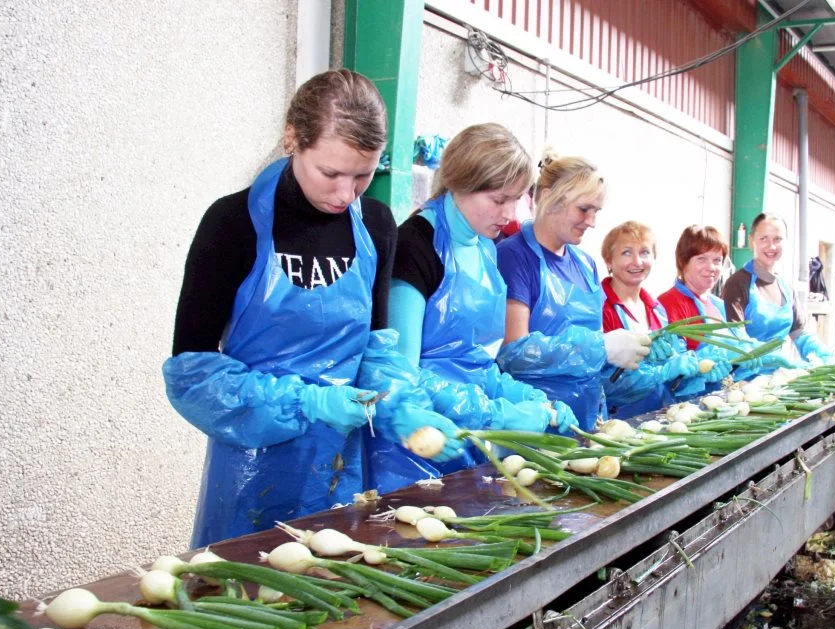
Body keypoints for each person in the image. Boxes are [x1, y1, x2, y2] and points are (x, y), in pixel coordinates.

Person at [163, 70, 459, 547]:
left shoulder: (379, 226)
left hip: (344, 464)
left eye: (364, 175)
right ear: (292, 140)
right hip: (254, 468)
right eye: (331, 173)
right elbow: (192, 375)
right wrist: (308, 403)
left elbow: (376, 351)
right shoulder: (232, 223)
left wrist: (400, 405)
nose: (346, 194)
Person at [365, 123, 579, 492]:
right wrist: (498, 415)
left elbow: (476, 359)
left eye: (516, 199)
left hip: (470, 437)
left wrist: (526, 398)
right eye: (499, 200)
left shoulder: (484, 247)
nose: (510, 214)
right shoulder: (415, 247)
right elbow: (402, 373)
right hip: (415, 450)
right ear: (460, 185)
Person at [496, 152, 652, 429]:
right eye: (583, 209)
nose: (591, 221)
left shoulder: (585, 263)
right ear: (548, 197)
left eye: (596, 212)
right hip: (539, 423)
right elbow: (513, 354)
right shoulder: (514, 257)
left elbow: (595, 347)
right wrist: (599, 347)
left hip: (590, 419)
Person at [599, 222, 730, 417]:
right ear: (609, 261)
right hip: (621, 421)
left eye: (645, 253)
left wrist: (699, 373)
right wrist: (663, 373)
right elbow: (604, 383)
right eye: (626, 253)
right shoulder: (601, 307)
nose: (637, 262)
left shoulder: (656, 310)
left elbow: (674, 376)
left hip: (659, 415)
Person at [658, 225, 800, 380]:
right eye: (701, 259)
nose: (711, 267)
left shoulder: (718, 305)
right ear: (683, 261)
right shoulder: (669, 303)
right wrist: (716, 359)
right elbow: (673, 367)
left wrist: (768, 354)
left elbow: (742, 342)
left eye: (717, 260)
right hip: (684, 401)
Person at [721, 213, 835, 364]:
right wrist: (774, 359)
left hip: (777, 377)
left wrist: (824, 355)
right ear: (751, 241)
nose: (771, 246)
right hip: (743, 379)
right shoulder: (737, 284)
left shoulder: (786, 288)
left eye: (777, 239)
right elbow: (736, 341)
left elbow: (801, 335)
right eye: (764, 239)